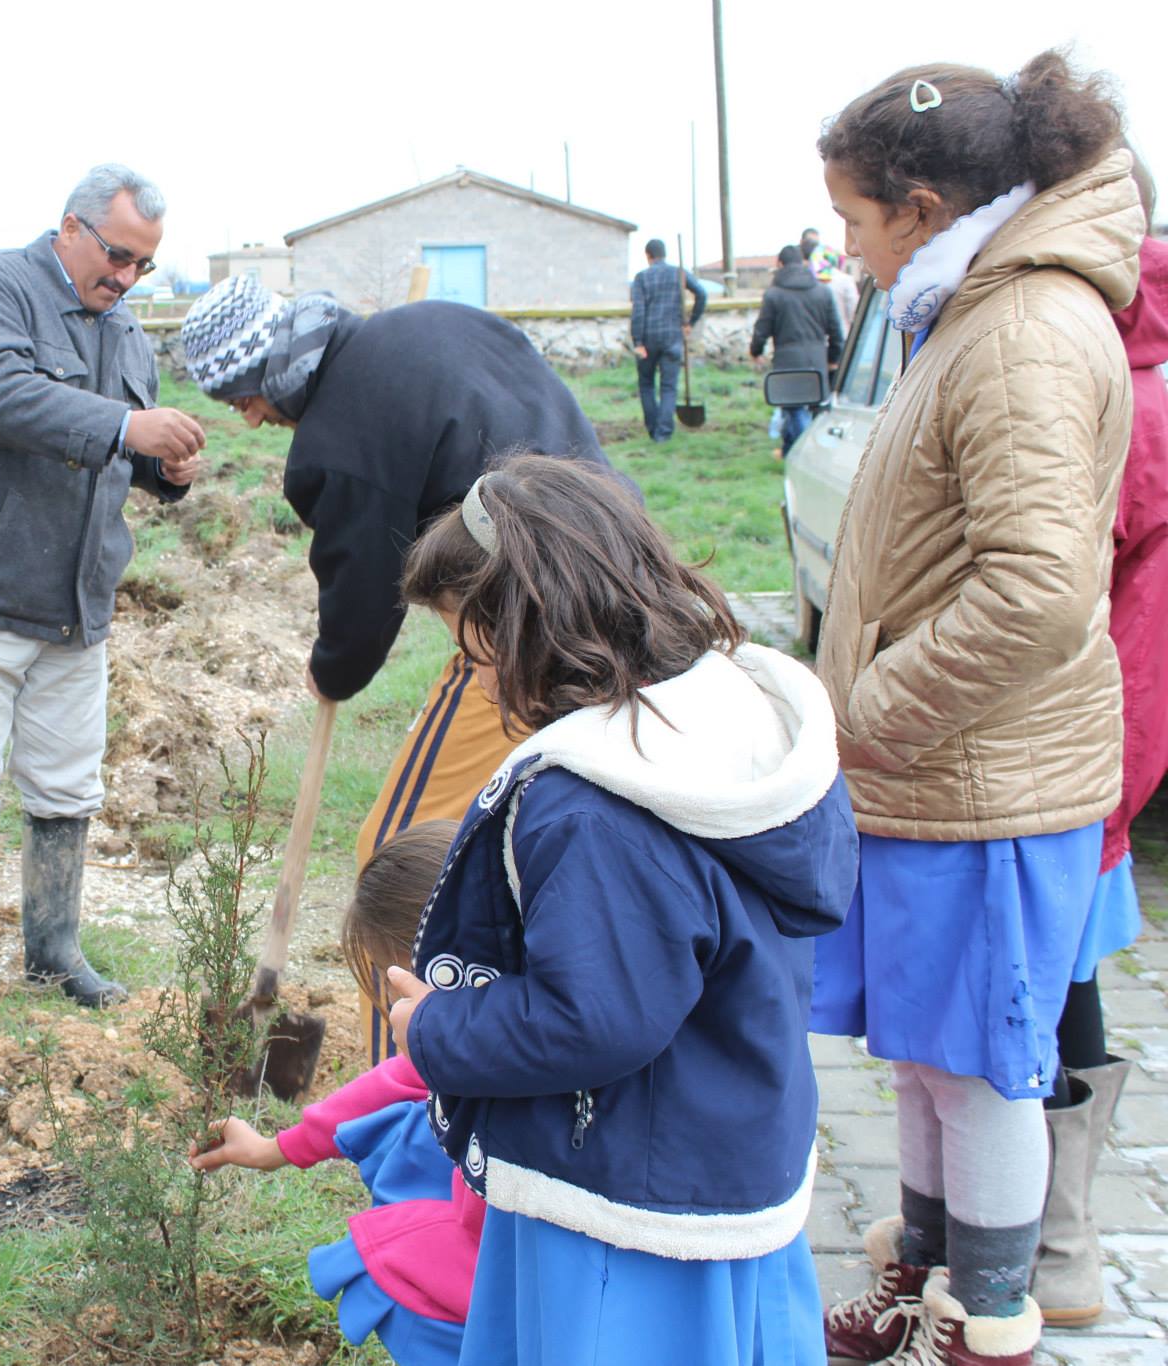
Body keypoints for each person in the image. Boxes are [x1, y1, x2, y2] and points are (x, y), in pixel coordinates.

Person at [807, 52, 1141, 1363]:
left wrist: (875, 702)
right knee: (930, 1052)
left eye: (852, 219)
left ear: (925, 205)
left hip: (982, 774)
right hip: (943, 773)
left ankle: (988, 1313)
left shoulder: (1022, 333)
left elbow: (1040, 591)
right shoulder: (974, 313)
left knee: (985, 1062)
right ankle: (929, 1264)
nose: (846, 249)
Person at [386, 456, 854, 1366]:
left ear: (534, 625)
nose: (477, 684)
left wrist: (437, 1027)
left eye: (475, 654)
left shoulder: (592, 808)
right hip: (725, 1159)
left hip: (618, 1209)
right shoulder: (728, 723)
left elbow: (592, 1017)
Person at [178, 271, 618, 1064]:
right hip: (616, 580)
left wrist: (332, 670)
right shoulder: (432, 324)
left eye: (241, 397)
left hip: (531, 626)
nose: (248, 418)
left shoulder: (336, 438)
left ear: (264, 371)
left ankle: (407, 1082)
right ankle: (496, 1024)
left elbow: (362, 578)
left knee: (399, 852)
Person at [0, 164, 205, 1035]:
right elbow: (0, 397)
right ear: (70, 227)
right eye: (116, 257)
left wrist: (164, 468)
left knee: (67, 779)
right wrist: (122, 428)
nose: (126, 278)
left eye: (143, 265)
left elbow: (128, 451)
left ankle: (55, 950)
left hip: (77, 600)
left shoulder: (129, 331)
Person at [190, 820, 481, 1365]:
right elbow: (389, 1083)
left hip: (507, 1266)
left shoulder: (493, 1053)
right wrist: (274, 1149)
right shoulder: (563, 1009)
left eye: (387, 974)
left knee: (414, 1134)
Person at [1034, 148, 1166, 1326]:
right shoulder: (1107, 348)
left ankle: (1058, 1235)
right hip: (1095, 730)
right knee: (1049, 976)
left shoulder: (1111, 376)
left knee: (1051, 981)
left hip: (1086, 738)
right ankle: (1025, 1219)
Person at [751, 244, 846, 456]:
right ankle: (789, 451)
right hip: (816, 360)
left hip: (787, 361)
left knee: (793, 410)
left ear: (780, 264)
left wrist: (756, 351)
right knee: (809, 409)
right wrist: (833, 358)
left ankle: (807, 453)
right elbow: (836, 331)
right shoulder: (822, 291)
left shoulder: (773, 295)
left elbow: (762, 329)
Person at [628, 238, 708, 441]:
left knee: (646, 384)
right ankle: (663, 433)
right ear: (664, 254)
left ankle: (653, 428)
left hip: (647, 339)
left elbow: (638, 311)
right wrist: (691, 321)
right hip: (673, 337)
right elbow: (702, 293)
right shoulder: (678, 274)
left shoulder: (641, 278)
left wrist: (637, 342)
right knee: (668, 387)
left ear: (648, 256)